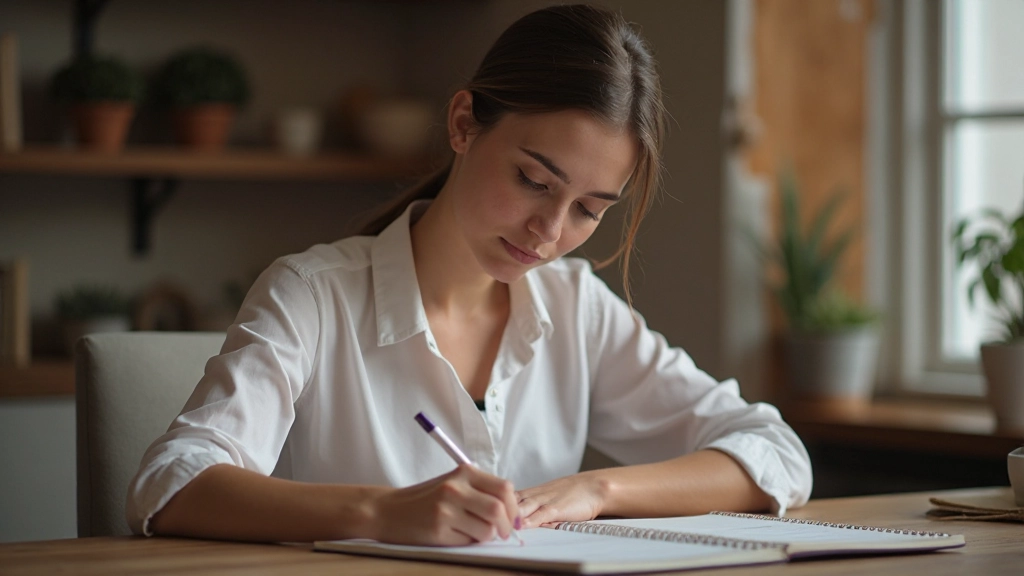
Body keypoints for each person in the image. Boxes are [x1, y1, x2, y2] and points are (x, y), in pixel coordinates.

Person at [127, 4, 812, 546]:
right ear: (463, 123)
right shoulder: (313, 296)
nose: (550, 233)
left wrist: (598, 491)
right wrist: (381, 511)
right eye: (534, 180)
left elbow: (775, 452)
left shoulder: (574, 309)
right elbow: (170, 483)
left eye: (589, 211)